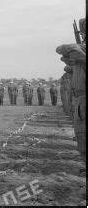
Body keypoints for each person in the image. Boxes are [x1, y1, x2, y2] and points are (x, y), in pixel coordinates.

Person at [56, 20, 86, 163]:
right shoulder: (81, 50)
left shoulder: (81, 50)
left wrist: (79, 47)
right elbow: (64, 58)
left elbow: (63, 50)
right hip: (80, 97)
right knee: (82, 134)